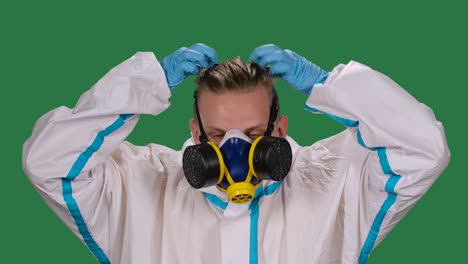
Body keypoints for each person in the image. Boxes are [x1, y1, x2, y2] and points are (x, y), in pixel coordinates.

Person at [22, 43, 450, 264]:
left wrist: (326, 85)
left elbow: (423, 149)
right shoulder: (138, 185)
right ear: (194, 133)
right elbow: (49, 161)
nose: (234, 149)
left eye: (250, 132)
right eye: (216, 133)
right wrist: (144, 83)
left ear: (279, 130)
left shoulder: (337, 181)